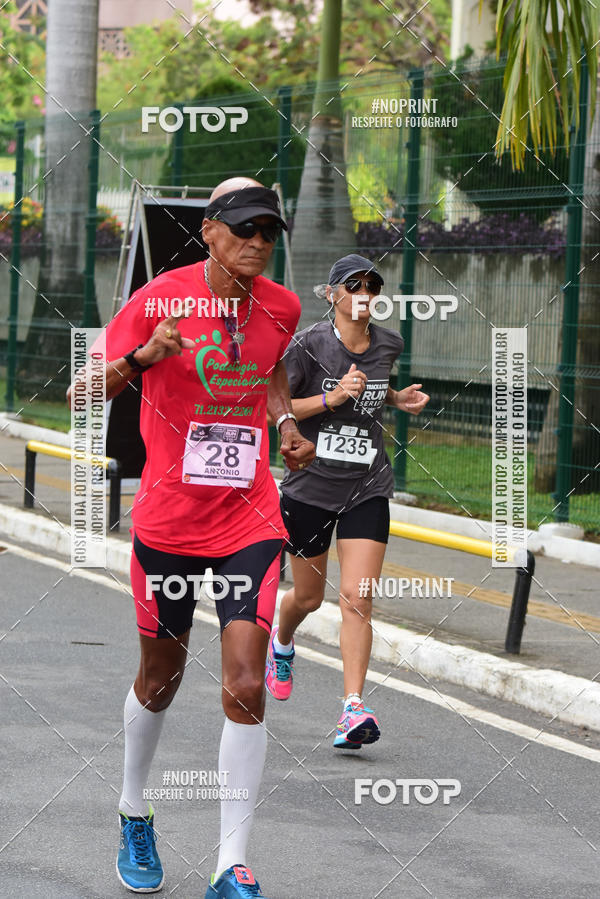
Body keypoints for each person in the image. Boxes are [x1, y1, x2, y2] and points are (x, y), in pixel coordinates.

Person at [68, 178, 314, 898]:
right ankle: (133, 808)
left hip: (250, 517)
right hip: (171, 521)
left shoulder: (283, 305)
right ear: (208, 230)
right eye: (243, 229)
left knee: (244, 679)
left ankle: (230, 863)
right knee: (160, 678)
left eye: (269, 231)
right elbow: (85, 392)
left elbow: (270, 373)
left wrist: (286, 425)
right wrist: (142, 358)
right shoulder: (159, 299)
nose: (258, 242)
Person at [265, 253, 429, 749]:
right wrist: (330, 400)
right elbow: (274, 402)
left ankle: (352, 709)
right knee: (309, 598)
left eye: (372, 285)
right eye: (353, 285)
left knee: (358, 598)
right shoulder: (307, 345)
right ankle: (282, 639)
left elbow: (375, 387)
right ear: (333, 294)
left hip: (367, 485)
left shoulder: (389, 344)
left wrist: (396, 399)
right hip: (310, 486)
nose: (365, 292)